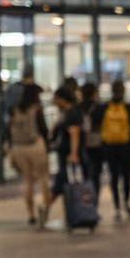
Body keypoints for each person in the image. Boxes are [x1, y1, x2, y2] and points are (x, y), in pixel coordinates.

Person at [5, 81, 51, 227]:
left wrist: (9, 150)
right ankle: (44, 211)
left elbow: (7, 130)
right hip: (35, 145)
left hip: (19, 147)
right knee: (44, 179)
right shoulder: (36, 109)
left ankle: (31, 215)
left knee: (27, 180)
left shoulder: (14, 109)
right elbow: (43, 130)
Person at [95, 81, 130, 221]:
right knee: (126, 176)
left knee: (113, 177)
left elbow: (95, 122)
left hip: (109, 146)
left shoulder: (104, 107)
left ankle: (117, 207)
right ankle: (126, 203)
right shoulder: (128, 107)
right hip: (126, 146)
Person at [45, 86, 86, 226]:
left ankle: (46, 212)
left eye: (56, 99)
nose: (54, 101)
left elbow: (74, 133)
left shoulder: (72, 114)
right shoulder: (66, 113)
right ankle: (70, 214)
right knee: (62, 185)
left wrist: (73, 153)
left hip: (71, 158)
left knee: (61, 185)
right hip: (66, 156)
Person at [79, 80, 105, 201]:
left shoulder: (78, 108)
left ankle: (87, 202)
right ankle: (95, 201)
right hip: (97, 143)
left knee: (86, 174)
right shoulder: (100, 108)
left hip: (82, 143)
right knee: (96, 175)